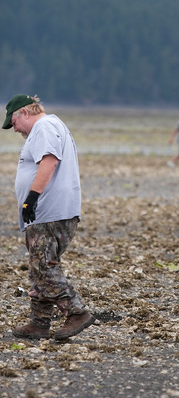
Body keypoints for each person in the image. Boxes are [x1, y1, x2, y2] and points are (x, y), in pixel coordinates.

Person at [2, 94, 95, 340]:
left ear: (24, 112)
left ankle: (76, 312)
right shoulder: (49, 127)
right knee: (39, 267)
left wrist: (31, 198)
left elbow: (49, 162)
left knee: (43, 266)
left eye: (13, 122)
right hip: (48, 212)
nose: (14, 130)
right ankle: (39, 322)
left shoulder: (44, 126)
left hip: (49, 211)